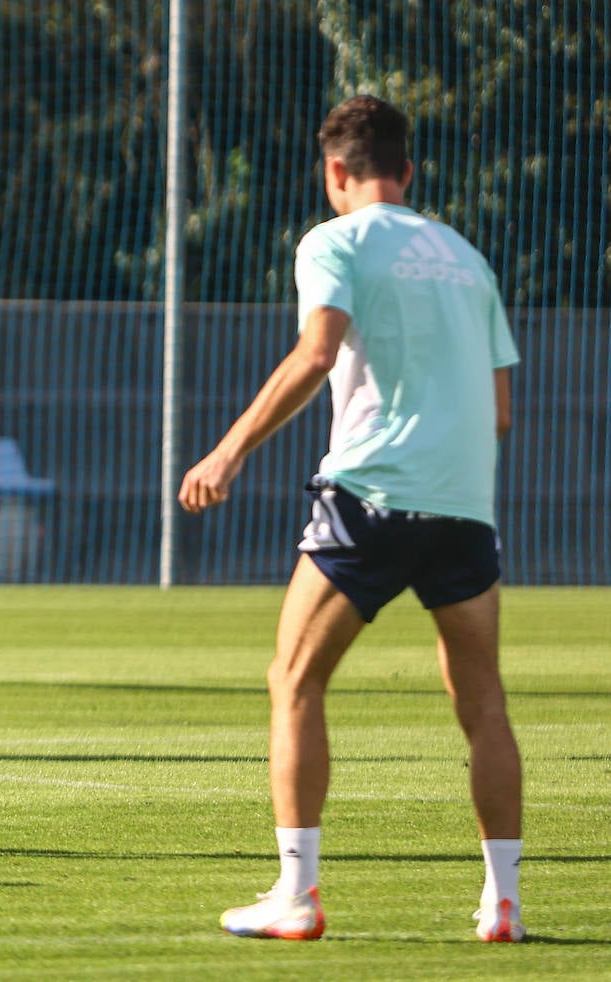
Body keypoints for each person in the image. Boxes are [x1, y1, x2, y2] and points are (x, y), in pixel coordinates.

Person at [177, 95, 524, 942]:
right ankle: (503, 903)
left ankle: (297, 895)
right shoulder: (468, 260)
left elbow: (316, 352)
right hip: (463, 507)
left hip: (370, 497)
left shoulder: (333, 242)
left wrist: (227, 452)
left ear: (336, 172)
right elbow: (501, 410)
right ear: (408, 171)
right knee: (482, 702)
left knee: (294, 681)